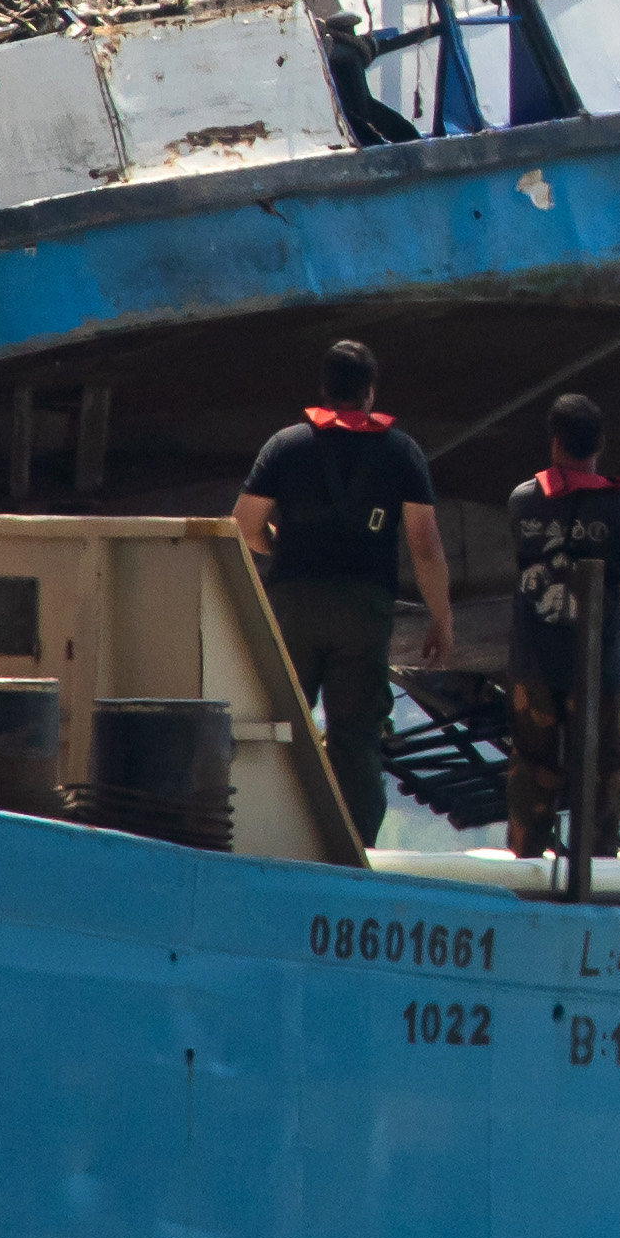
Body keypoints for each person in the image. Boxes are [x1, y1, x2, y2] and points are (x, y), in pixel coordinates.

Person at [235, 338, 447, 858]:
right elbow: (424, 544)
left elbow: (242, 526)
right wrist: (442, 620)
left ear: (324, 389)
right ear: (370, 393)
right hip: (363, 615)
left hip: (295, 608)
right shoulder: (401, 452)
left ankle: (268, 840)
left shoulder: (285, 445)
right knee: (355, 738)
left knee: (281, 724)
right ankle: (355, 852)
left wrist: (276, 545)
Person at [501, 392, 620, 863]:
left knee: (532, 766)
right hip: (597, 666)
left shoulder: (523, 501)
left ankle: (526, 862)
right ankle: (596, 867)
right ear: (599, 444)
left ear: (555, 442)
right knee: (603, 770)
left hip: (534, 665)